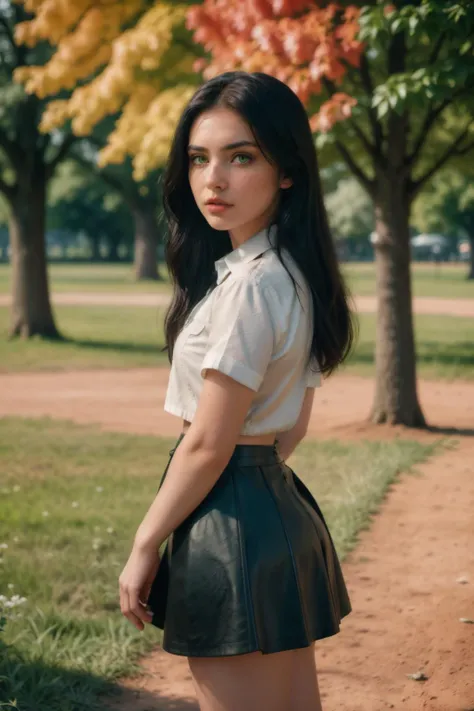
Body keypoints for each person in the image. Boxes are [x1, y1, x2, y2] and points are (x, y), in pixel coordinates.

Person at [119, 71, 356, 711]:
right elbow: (292, 429)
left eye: (240, 156)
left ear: (286, 171)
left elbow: (207, 443)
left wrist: (144, 546)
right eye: (199, 158)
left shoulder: (250, 286)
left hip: (231, 527)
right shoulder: (293, 273)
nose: (212, 180)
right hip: (277, 511)